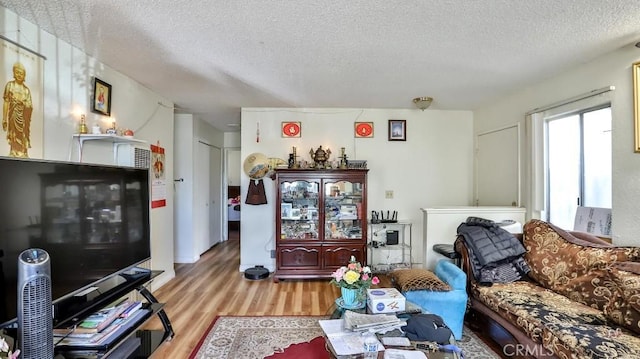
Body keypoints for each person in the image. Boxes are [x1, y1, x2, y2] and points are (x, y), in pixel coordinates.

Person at [2, 62, 33, 158]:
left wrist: (24, 104)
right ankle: (14, 151)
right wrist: (4, 119)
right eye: (17, 72)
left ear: (24, 76)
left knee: (23, 133)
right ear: (14, 73)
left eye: (21, 73)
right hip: (13, 115)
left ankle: (23, 152)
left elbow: (30, 105)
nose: (19, 75)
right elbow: (6, 102)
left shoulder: (26, 90)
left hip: (23, 118)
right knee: (13, 134)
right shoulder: (10, 86)